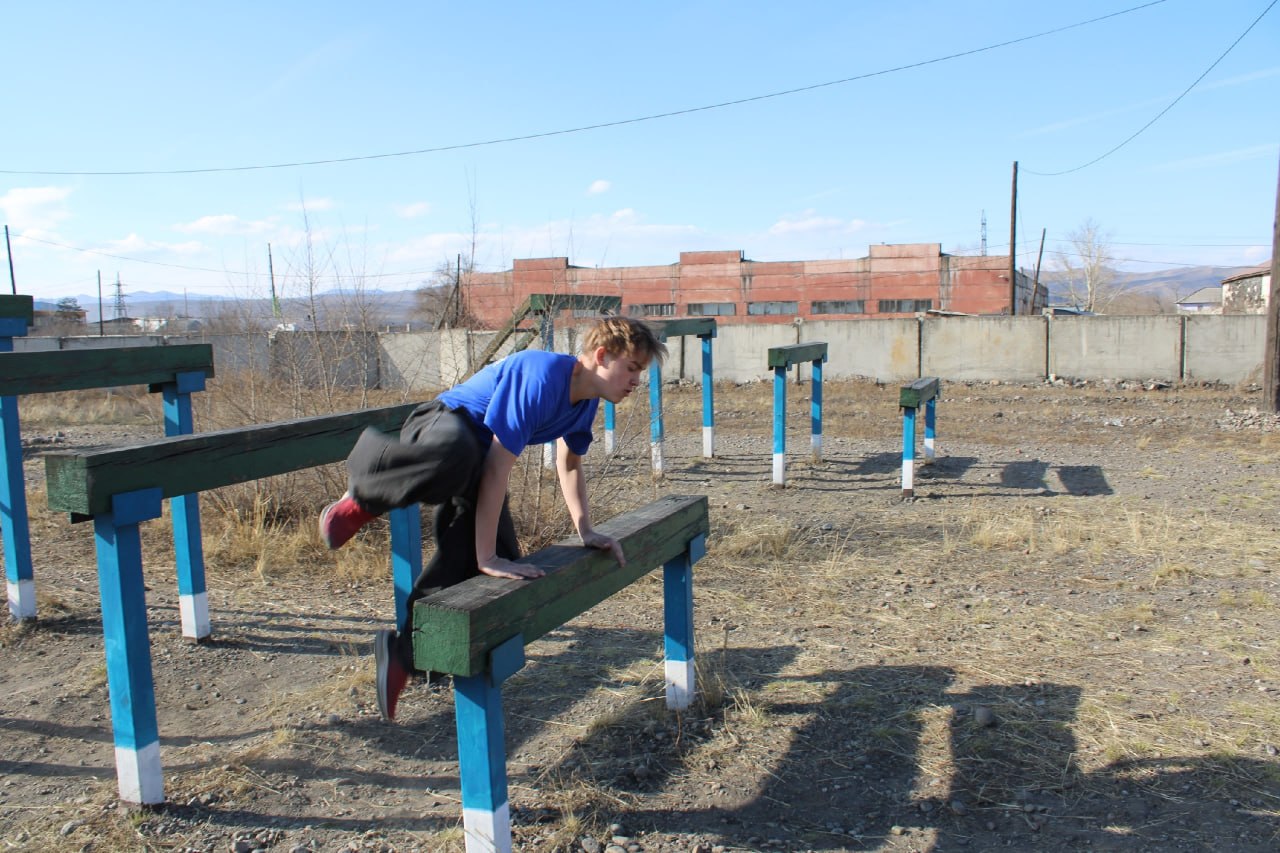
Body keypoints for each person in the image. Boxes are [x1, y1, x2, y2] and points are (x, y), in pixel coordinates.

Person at [318, 315, 666, 721]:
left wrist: (585, 529)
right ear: (602, 356)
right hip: (441, 428)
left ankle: (401, 655)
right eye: (632, 368)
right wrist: (488, 557)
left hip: (475, 463)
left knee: (495, 572)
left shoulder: (585, 404)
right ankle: (364, 486)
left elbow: (569, 464)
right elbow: (498, 466)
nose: (636, 381)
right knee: (460, 462)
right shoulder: (543, 375)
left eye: (640, 372)